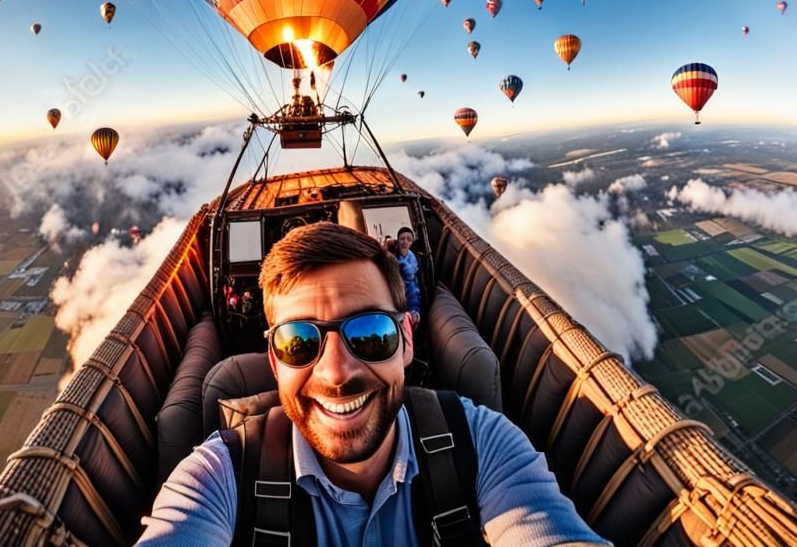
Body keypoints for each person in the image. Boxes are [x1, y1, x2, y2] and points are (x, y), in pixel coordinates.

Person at [136, 222, 610, 546]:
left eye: (370, 334)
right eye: (299, 342)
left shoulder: (482, 442)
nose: (337, 372)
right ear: (274, 362)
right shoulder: (218, 476)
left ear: (406, 339)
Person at [384, 226, 421, 328]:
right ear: (398, 240)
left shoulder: (412, 261)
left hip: (405, 296)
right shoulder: (391, 255)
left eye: (408, 239)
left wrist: (414, 310)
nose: (405, 242)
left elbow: (413, 289)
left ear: (411, 242)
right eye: (402, 239)